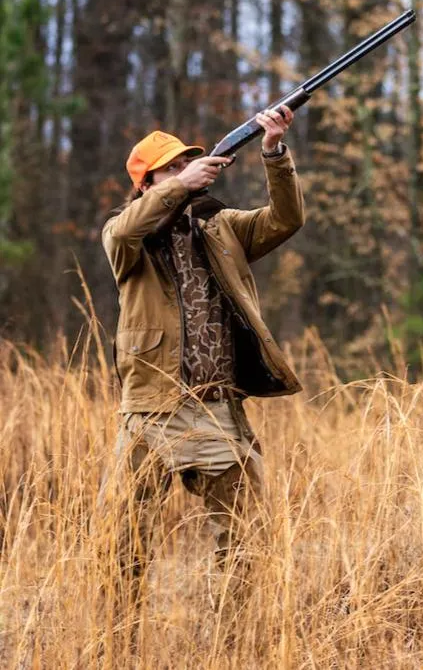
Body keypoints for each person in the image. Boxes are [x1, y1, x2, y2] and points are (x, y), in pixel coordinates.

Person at [100, 106, 304, 604]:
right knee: (121, 540)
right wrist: (180, 185)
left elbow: (286, 219)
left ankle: (234, 646)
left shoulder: (221, 228)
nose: (185, 171)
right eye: (171, 168)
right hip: (152, 409)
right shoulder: (128, 237)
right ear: (145, 185)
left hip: (216, 408)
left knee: (245, 538)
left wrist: (273, 152)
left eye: (188, 164)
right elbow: (124, 232)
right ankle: (115, 643)